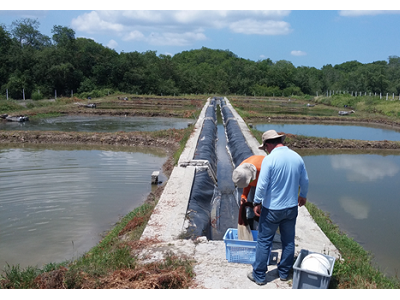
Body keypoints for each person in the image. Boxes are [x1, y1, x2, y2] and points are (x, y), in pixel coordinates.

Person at [247, 130, 309, 285]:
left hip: (272, 209)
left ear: (268, 144)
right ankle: (283, 273)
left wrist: (256, 202)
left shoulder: (270, 159)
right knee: (288, 241)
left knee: (264, 241)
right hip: (291, 208)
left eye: (265, 147)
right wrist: (303, 195)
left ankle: (259, 276)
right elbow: (305, 180)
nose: (266, 150)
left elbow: (262, 185)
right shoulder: (297, 157)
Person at [232, 155, 265, 230]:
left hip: (267, 184)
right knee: (250, 204)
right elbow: (247, 183)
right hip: (255, 179)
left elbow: (265, 189)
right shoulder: (241, 170)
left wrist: (258, 203)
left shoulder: (262, 169)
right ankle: (250, 225)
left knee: (263, 208)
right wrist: (244, 196)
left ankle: (262, 227)